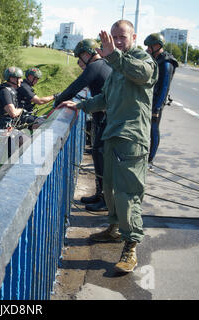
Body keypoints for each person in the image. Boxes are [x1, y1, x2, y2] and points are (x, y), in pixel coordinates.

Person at [59, 20, 158, 273]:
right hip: (114, 136)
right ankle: (114, 229)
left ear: (134, 37)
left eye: (122, 37)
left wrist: (113, 54)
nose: (116, 41)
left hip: (131, 140)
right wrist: (79, 106)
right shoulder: (116, 65)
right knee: (111, 191)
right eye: (113, 37)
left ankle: (131, 245)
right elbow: (105, 98)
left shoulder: (142, 60)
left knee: (128, 195)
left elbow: (142, 74)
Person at [55, 39, 112, 212]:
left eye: (80, 57)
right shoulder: (103, 64)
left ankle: (105, 200)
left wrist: (58, 102)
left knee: (100, 155)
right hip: (103, 115)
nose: (80, 61)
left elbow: (73, 88)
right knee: (97, 153)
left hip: (105, 117)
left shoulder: (95, 66)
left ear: (87, 54)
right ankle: (100, 193)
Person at [144, 33, 179, 164]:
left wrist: (157, 108)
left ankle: (150, 160)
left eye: (149, 47)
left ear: (157, 46)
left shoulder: (166, 63)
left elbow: (165, 87)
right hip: (150, 99)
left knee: (153, 129)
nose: (148, 49)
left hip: (157, 102)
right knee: (147, 129)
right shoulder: (157, 59)